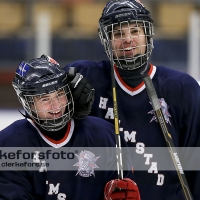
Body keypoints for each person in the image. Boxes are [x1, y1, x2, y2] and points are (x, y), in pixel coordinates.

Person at [64, 0, 200, 199]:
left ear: (148, 35)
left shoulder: (182, 89)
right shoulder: (84, 79)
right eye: (118, 34)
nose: (127, 39)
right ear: (106, 40)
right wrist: (71, 113)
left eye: (135, 31)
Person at [0, 55, 140, 200]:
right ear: (28, 103)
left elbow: (124, 187)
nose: (56, 105)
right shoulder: (9, 146)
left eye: (60, 94)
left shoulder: (104, 136)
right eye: (45, 99)